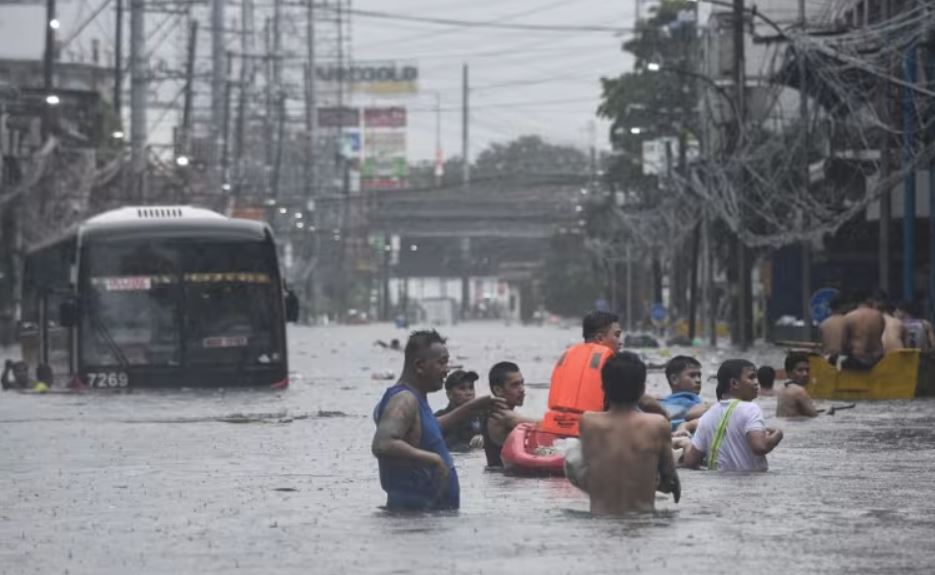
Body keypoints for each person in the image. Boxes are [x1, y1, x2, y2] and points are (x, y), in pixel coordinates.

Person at [372, 330, 503, 511]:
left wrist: (470, 408)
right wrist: (434, 460)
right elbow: (383, 443)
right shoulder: (404, 399)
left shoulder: (413, 398)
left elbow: (429, 429)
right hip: (413, 518)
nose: (447, 370)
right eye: (442, 363)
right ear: (419, 365)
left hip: (428, 517)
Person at [564, 352, 680, 515]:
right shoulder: (658, 424)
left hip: (599, 523)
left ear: (603, 387)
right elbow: (670, 482)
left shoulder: (588, 422)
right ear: (642, 389)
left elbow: (584, 471)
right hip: (644, 522)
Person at [541, 311, 667, 436]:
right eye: (617, 335)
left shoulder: (568, 355)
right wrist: (666, 419)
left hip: (555, 429)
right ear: (600, 338)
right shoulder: (611, 364)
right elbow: (644, 401)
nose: (621, 342)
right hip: (592, 434)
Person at [682, 359, 783, 472]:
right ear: (734, 383)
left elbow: (690, 460)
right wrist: (778, 435)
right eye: (751, 377)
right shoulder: (750, 408)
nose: (756, 382)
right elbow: (760, 447)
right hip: (751, 484)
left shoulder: (708, 415)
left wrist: (685, 444)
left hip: (717, 486)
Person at [481, 361, 538, 468]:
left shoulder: (494, 411)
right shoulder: (503, 416)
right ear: (498, 390)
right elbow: (544, 426)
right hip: (505, 479)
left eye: (522, 383)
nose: (522, 389)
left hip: (498, 477)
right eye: (515, 385)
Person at [434, 369, 484, 452]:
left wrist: (485, 438)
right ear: (449, 394)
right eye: (462, 388)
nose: (469, 393)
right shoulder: (440, 418)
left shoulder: (483, 415)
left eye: (471, 388)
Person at [659, 356, 709, 431]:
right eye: (692, 375)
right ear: (674, 379)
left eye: (699, 376)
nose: (698, 380)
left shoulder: (662, 402)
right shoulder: (669, 403)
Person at [840, 292, 886, 370]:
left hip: (857, 359)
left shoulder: (849, 317)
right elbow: (881, 335)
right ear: (869, 300)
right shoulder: (879, 315)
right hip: (877, 359)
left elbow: (844, 343)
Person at [776, 353, 818, 418]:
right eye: (800, 370)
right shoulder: (799, 391)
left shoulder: (781, 388)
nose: (805, 374)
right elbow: (814, 416)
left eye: (807, 370)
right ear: (789, 373)